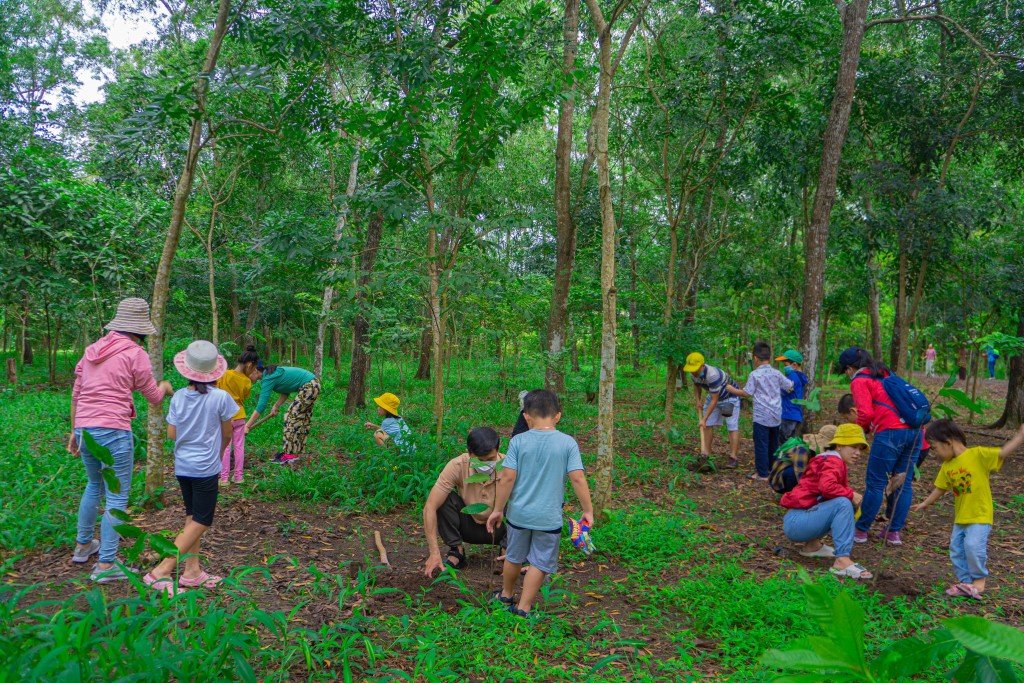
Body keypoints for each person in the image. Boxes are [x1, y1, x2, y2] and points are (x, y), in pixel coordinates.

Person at [68, 298, 175, 582]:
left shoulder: (92, 350)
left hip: (85, 427)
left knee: (94, 484)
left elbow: (77, 392)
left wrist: (74, 430)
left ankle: (83, 545)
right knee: (116, 496)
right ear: (140, 329)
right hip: (113, 429)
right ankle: (106, 565)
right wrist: (165, 386)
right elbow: (152, 397)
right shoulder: (135, 353)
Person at [486, 390, 594, 617]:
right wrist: (587, 510)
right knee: (540, 561)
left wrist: (497, 510)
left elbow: (507, 478)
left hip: (519, 515)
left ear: (526, 416)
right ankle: (524, 608)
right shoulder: (568, 443)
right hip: (548, 517)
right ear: (558, 416)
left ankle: (506, 595)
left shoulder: (518, 441)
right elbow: (577, 478)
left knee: (514, 555)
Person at [143, 340, 238, 595]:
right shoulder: (221, 397)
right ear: (214, 371)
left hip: (182, 465)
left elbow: (172, 434)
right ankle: (161, 570)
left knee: (192, 517)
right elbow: (228, 433)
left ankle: (192, 572)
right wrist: (218, 453)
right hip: (205, 466)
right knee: (203, 520)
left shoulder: (179, 397)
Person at [912, 420, 1024, 600]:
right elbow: (940, 488)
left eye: (934, 447)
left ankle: (979, 580)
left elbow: (1003, 452)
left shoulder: (978, 455)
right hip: (961, 517)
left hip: (980, 514)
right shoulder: (948, 466)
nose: (934, 453)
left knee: (973, 546)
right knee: (956, 549)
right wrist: (926, 503)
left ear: (948, 442)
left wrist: (1020, 437)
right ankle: (966, 583)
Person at [839, 347, 921, 546]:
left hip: (890, 431)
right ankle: (893, 532)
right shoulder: (885, 373)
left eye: (845, 371)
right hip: (916, 431)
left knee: (876, 483)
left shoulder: (860, 380)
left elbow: (865, 413)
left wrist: (859, 435)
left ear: (849, 368)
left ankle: (860, 530)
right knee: (903, 483)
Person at [780, 423, 873, 580]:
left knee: (841, 502)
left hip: (797, 520)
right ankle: (842, 560)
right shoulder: (832, 461)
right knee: (843, 502)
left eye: (860, 449)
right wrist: (851, 494)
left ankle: (812, 546)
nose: (857, 453)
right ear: (839, 446)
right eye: (853, 447)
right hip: (796, 522)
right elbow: (827, 487)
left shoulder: (829, 459)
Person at [423, 427, 507, 576]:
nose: (485, 464)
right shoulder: (457, 466)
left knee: (519, 502)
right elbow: (430, 507)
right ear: (469, 453)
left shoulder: (510, 467)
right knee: (443, 499)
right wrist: (434, 552)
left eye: (490, 459)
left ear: (498, 449)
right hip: (469, 525)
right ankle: (457, 551)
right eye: (480, 460)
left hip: (500, 528)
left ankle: (508, 551)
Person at [725, 342, 794, 481]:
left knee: (761, 444)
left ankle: (762, 474)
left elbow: (747, 393)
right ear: (769, 357)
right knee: (773, 443)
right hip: (776, 415)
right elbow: (789, 386)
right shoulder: (776, 373)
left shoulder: (755, 374)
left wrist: (732, 390)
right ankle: (771, 469)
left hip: (762, 416)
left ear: (755, 358)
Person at [246, 362, 321, 464]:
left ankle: (289, 454)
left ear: (255, 370)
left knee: (291, 416)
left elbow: (261, 406)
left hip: (309, 386)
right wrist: (276, 405)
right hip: (313, 384)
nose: (247, 377)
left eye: (248, 374)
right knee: (301, 418)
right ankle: (294, 453)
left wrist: (247, 425)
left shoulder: (268, 378)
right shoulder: (271, 374)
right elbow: (286, 390)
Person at [684, 352, 742, 472]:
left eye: (696, 369)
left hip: (729, 397)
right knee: (707, 425)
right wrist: (698, 400)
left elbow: (714, 400)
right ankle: (706, 454)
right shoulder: (693, 373)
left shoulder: (713, 375)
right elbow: (696, 385)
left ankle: (733, 457)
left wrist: (704, 418)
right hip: (713, 396)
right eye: (692, 370)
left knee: (732, 426)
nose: (693, 372)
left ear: (702, 365)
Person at [215, 345, 260, 485]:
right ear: (248, 364)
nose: (253, 371)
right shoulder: (247, 381)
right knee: (239, 446)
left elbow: (216, 388)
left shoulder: (225, 374)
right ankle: (238, 476)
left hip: (225, 417)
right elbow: (245, 396)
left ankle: (224, 478)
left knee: (226, 446)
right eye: (253, 368)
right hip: (240, 415)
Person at [776, 349, 807, 441]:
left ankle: (782, 456)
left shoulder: (793, 378)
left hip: (788, 413)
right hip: (794, 414)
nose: (784, 368)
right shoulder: (800, 377)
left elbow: (782, 391)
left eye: (786, 365)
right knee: (790, 442)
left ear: (794, 365)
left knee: (783, 441)